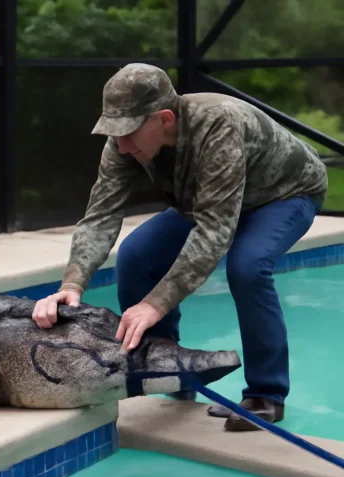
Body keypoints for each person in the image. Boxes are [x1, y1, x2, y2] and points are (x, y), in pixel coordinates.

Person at [31, 63, 328, 432]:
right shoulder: (121, 140)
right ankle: (166, 368)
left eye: (128, 133)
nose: (121, 144)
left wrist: (155, 304)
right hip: (211, 200)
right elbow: (100, 216)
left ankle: (266, 394)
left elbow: (214, 230)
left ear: (165, 119)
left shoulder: (219, 124)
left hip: (284, 195)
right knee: (137, 255)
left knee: (247, 266)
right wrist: (71, 285)